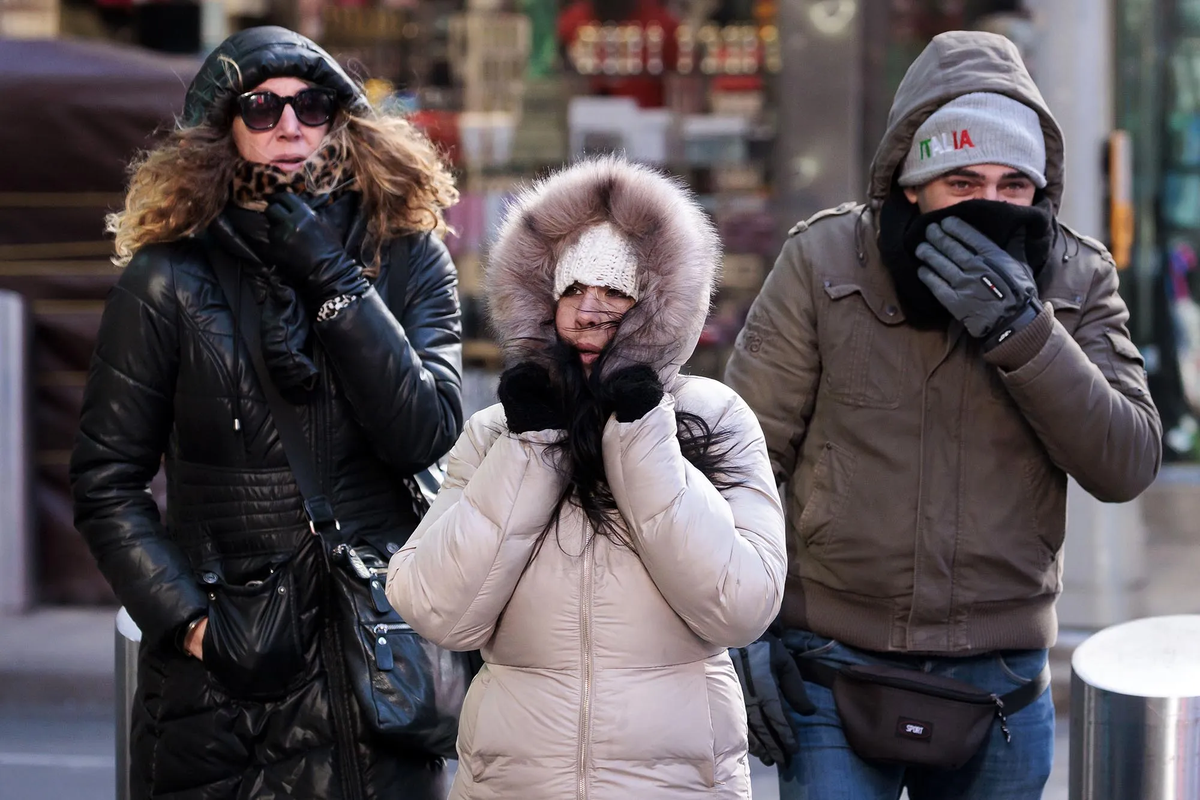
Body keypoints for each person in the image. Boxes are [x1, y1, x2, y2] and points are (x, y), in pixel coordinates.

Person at [724, 30, 1162, 800]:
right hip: (832, 661)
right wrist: (740, 625)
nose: (990, 207)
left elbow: (1125, 463)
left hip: (1002, 673)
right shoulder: (825, 260)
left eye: (1011, 186)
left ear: (1039, 192)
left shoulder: (1077, 274)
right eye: (962, 182)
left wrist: (1024, 332)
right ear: (910, 184)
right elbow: (741, 457)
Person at [69, 26, 462, 800]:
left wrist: (330, 274)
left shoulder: (408, 255)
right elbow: (106, 482)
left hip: (378, 671)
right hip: (227, 689)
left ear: (340, 118)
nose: (290, 127)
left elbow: (424, 429)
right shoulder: (169, 279)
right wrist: (190, 625)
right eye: (261, 108)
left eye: (311, 105)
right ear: (221, 128)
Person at [385, 155, 788, 800]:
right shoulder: (497, 433)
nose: (590, 311)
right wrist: (533, 448)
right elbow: (438, 609)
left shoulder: (712, 418)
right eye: (571, 290)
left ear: (660, 303)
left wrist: (641, 436)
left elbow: (741, 606)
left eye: (617, 291)